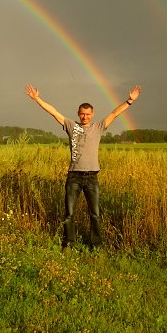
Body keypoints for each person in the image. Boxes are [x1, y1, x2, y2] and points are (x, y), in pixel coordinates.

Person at [25, 84, 141, 249]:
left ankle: (96, 245)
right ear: (78, 114)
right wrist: (37, 98)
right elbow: (53, 112)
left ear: (92, 114)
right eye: (82, 114)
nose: (85, 116)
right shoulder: (71, 126)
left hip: (92, 177)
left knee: (95, 214)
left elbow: (115, 113)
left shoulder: (98, 127)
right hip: (74, 177)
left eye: (88, 114)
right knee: (69, 214)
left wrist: (130, 101)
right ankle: (68, 243)